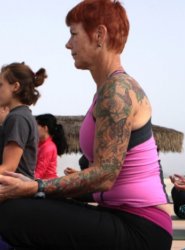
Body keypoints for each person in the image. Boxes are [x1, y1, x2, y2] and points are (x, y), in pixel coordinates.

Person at [0, 1, 172, 249]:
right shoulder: (104, 91)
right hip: (117, 215)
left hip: (143, 229)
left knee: (13, 212)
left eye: (73, 34)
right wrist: (37, 192)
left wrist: (32, 187)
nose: (68, 44)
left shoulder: (118, 91)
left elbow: (103, 176)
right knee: (21, 205)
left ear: (99, 35)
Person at [0, 62, 46, 179]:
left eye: (0, 85)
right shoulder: (23, 115)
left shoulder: (17, 118)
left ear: (15, 87)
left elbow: (9, 167)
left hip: (15, 191)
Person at [35, 114, 68, 179]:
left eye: (36, 126)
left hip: (47, 185)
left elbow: (39, 174)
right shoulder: (41, 144)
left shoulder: (48, 147)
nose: (34, 129)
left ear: (45, 128)